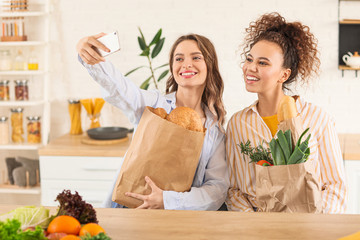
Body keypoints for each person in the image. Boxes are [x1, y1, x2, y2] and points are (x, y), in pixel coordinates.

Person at [76, 33, 229, 210]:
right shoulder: (155, 106)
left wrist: (168, 200)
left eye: (196, 57)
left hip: (178, 218)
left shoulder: (213, 130)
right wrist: (91, 58)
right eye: (179, 58)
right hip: (130, 208)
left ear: (209, 65)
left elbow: (217, 189)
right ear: (172, 67)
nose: (186, 64)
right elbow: (121, 90)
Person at [225, 12, 347, 213]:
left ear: (284, 74)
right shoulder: (238, 123)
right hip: (256, 228)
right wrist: (254, 225)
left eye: (262, 63)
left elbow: (336, 187)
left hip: (310, 227)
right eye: (249, 59)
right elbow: (234, 191)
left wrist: (315, 225)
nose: (250, 68)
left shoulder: (318, 119)